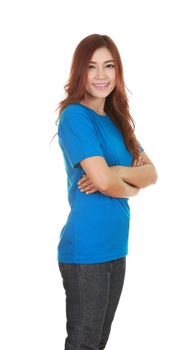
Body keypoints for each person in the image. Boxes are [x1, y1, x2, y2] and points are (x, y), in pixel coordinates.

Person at [55, 33, 158, 350]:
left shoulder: (118, 121)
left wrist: (117, 174)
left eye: (109, 66)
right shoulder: (75, 116)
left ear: (118, 71)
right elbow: (100, 182)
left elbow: (151, 173)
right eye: (92, 67)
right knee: (84, 343)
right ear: (79, 72)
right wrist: (130, 185)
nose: (101, 75)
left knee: (98, 342)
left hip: (116, 246)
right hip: (86, 249)